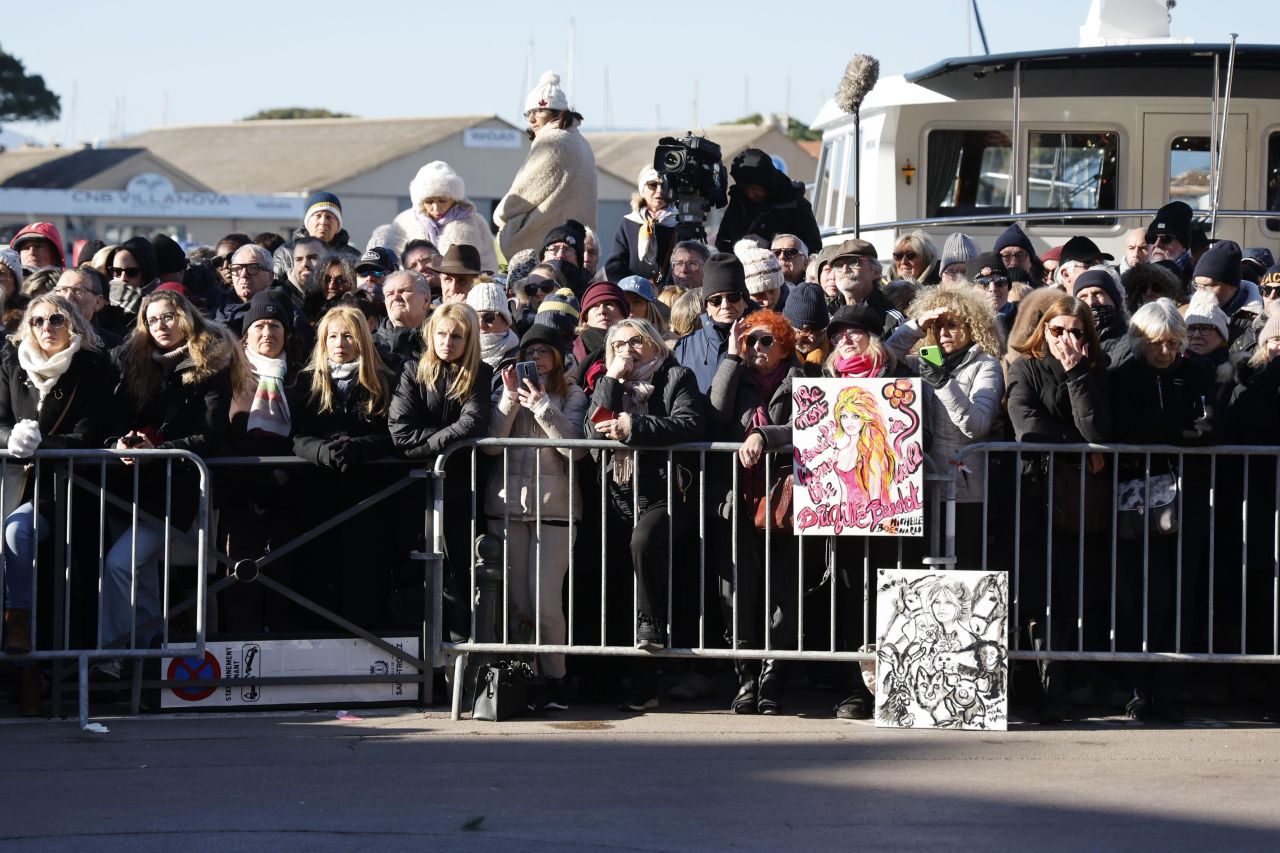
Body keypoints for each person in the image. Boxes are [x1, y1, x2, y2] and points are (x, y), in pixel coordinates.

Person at [99, 292, 248, 676]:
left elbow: (211, 435)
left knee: (120, 565)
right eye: (152, 320)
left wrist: (159, 449)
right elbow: (112, 421)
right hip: (128, 485)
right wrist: (120, 443)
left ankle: (112, 656)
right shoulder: (131, 363)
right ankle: (152, 658)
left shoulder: (210, 363)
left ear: (186, 318)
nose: (161, 326)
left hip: (175, 489)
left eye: (168, 317)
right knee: (143, 577)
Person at [0, 294, 114, 714]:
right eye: (37, 321)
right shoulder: (11, 363)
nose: (46, 328)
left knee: (18, 532)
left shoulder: (92, 368)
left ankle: (17, 623)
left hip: (64, 492)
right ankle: (23, 670)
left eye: (56, 319)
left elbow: (90, 433)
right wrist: (11, 439)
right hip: (13, 484)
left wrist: (42, 444)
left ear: (73, 325)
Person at [584, 318, 704, 711]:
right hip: (619, 498)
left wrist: (633, 426)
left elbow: (688, 423)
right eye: (618, 344)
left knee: (644, 542)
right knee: (621, 588)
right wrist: (611, 380)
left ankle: (653, 630)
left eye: (636, 341)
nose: (628, 350)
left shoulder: (676, 377)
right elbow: (592, 432)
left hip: (665, 494)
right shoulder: (609, 383)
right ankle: (638, 685)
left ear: (654, 344)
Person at [1005, 294, 1112, 723]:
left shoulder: (1094, 370)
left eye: (1075, 331)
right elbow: (1026, 425)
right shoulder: (1024, 367)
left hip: (1080, 496)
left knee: (1072, 590)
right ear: (1042, 330)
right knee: (1037, 590)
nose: (1065, 339)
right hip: (1035, 491)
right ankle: (1042, 686)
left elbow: (1098, 427)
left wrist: (1076, 373)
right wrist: (1080, 445)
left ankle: (1066, 683)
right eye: (1056, 330)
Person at [1109, 299, 1215, 722]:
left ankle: (1169, 689)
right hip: (1138, 495)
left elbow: (1208, 426)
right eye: (1157, 343)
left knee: (1179, 596)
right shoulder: (1125, 374)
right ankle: (1138, 688)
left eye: (1173, 343)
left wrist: (1184, 432)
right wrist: (1177, 432)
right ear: (1141, 340)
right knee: (1141, 595)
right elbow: (1127, 428)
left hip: (1186, 496)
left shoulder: (1195, 371)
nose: (1165, 352)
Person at [483, 323, 588, 709]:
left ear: (558, 357)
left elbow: (575, 450)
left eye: (544, 352)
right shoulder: (505, 389)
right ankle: (525, 679)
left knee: (545, 603)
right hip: (508, 509)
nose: (536, 359)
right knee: (519, 605)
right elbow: (491, 446)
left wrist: (543, 406)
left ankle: (556, 678)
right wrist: (510, 400)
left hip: (554, 511)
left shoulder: (572, 393)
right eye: (529, 353)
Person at [708, 309, 804, 714]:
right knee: (736, 592)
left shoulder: (801, 379)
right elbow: (715, 413)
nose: (758, 348)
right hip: (739, 500)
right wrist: (732, 357)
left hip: (786, 501)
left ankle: (773, 676)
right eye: (751, 340)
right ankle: (745, 677)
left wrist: (765, 435)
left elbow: (807, 426)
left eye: (767, 340)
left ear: (784, 346)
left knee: (784, 593)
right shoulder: (736, 376)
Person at [290, 305, 398, 626]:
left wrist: (360, 447)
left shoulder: (385, 379)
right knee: (319, 574)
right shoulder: (306, 380)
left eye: (348, 336)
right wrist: (322, 451)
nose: (340, 344)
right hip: (319, 493)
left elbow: (393, 435)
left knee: (364, 577)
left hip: (369, 495)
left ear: (362, 338)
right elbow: (296, 436)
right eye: (333, 336)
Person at [388, 303, 492, 640]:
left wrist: (429, 445)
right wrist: (445, 443)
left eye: (456, 336)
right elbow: (400, 432)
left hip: (461, 489)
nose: (447, 342)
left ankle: (460, 651)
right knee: (412, 571)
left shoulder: (481, 373)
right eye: (442, 334)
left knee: (460, 572)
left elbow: (474, 422)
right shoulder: (412, 370)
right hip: (414, 490)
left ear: (469, 339)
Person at [886, 285, 1005, 565]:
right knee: (920, 570)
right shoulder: (924, 362)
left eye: (952, 325)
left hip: (963, 490)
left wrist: (943, 384)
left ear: (972, 326)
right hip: (921, 486)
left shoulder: (986, 365)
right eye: (937, 326)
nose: (943, 333)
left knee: (961, 569)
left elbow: (977, 425)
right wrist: (915, 326)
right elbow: (884, 357)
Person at [494, 71, 597, 260]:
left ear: (555, 112)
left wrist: (500, 217)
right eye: (528, 113)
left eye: (538, 111)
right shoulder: (582, 142)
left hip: (546, 250)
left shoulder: (553, 142)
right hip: (576, 248)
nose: (531, 119)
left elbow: (522, 196)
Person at [379, 161, 498, 274]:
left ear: (454, 198)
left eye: (442, 200)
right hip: (414, 286)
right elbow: (390, 263)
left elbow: (488, 265)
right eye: (429, 202)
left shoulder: (474, 222)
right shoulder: (404, 222)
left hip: (460, 286)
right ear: (420, 201)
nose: (436, 208)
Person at [715, 148, 821, 255]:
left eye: (754, 188)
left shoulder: (794, 204)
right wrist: (740, 246)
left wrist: (770, 246)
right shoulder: (738, 202)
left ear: (767, 183)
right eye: (745, 189)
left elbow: (814, 248)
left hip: (783, 265)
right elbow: (722, 241)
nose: (750, 195)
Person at [673, 253, 752, 393]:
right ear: (707, 306)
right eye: (716, 300)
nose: (725, 305)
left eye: (733, 297)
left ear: (745, 301)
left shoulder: (764, 339)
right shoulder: (685, 346)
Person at [605, 166, 676, 282]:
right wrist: (629, 286)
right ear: (642, 189)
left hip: (671, 290)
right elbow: (615, 264)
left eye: (664, 185)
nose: (659, 190)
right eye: (652, 185)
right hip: (635, 290)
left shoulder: (679, 221)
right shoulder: (629, 222)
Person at [271, 191, 362, 281]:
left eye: (329, 217)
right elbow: (275, 286)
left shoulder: (353, 257)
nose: (323, 222)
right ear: (307, 222)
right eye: (318, 216)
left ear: (338, 225)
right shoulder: (286, 253)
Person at [1191, 240, 1264, 351]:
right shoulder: (1189, 312)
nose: (1200, 292)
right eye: (1197, 285)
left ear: (1232, 286)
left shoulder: (1260, 321)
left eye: (1207, 286)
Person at [827, 239, 903, 335]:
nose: (844, 270)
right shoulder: (828, 315)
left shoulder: (892, 320)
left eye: (853, 262)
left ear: (875, 272)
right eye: (838, 265)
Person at [52, 267, 123, 349]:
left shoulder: (115, 347)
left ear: (98, 302)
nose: (67, 298)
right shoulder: (44, 336)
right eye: (62, 290)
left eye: (77, 290)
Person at [1072, 269, 1130, 365]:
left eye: (1097, 294)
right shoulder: (1073, 342)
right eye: (1083, 296)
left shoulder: (1131, 345)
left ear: (1114, 300)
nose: (1090, 302)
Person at [375, 270, 431, 370]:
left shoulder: (442, 339)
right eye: (390, 294)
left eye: (403, 291)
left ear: (426, 300)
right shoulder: (371, 344)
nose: (396, 297)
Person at [467, 282, 519, 370]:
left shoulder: (521, 358)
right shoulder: (457, 353)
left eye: (488, 317)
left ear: (506, 321)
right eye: (474, 317)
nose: (481, 323)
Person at [783, 284, 830, 373]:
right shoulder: (773, 354)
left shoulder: (837, 351)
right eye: (805, 332)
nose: (812, 338)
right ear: (788, 328)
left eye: (819, 332)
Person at [735, 239, 787, 311]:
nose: (767, 302)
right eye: (758, 294)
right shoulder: (733, 313)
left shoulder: (797, 305)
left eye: (772, 291)